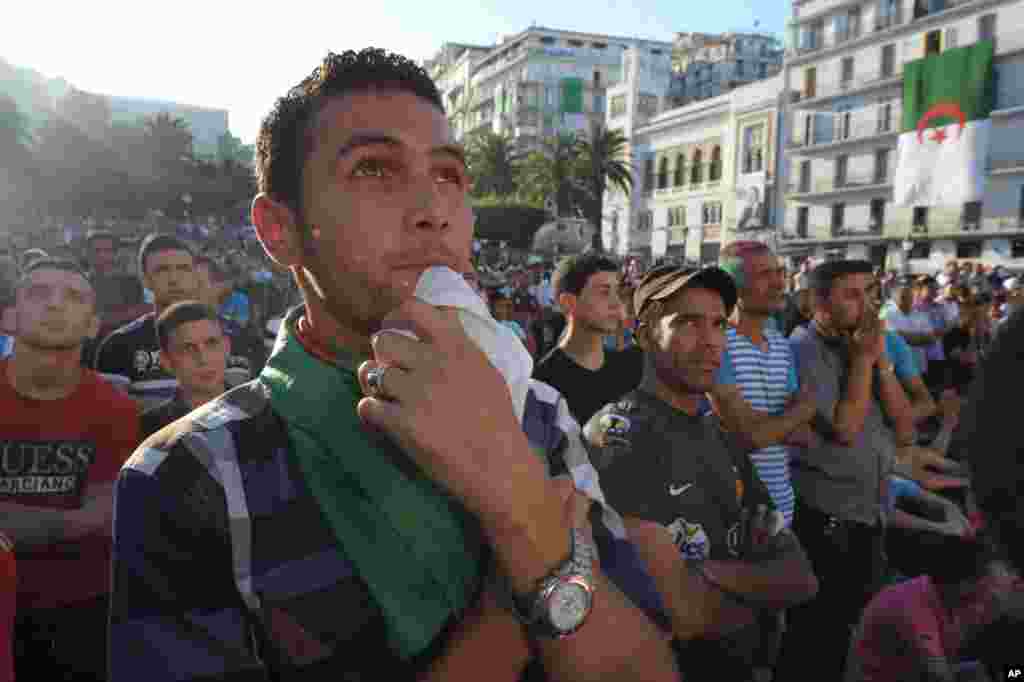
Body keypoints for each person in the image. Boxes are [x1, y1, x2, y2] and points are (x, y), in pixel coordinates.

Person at [109, 48, 679, 681]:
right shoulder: (191, 473)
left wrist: (519, 501)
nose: (432, 208)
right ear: (281, 230)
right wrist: (512, 595)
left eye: (449, 175)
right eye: (375, 168)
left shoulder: (536, 411)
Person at [583, 265, 818, 681]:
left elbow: (802, 577)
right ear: (642, 336)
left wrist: (709, 573)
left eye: (718, 324)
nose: (710, 341)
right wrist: (762, 595)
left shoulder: (716, 430)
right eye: (688, 323)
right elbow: (684, 615)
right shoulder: (620, 435)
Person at [0, 258, 139, 681]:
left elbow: (108, 517)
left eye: (73, 296)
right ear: (9, 316)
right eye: (38, 294)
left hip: (82, 613)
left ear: (93, 324)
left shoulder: (117, 411)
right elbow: (87, 517)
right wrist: (68, 519)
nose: (55, 305)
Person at [776, 260, 914, 681]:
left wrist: (880, 362)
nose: (867, 303)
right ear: (817, 302)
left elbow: (906, 428)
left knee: (849, 630)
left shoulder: (861, 347)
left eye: (870, 291)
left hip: (867, 508)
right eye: (851, 294)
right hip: (827, 514)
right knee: (817, 635)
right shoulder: (802, 348)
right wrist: (862, 361)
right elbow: (845, 429)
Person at [711, 241, 816, 528]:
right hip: (733, 511)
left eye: (779, 273)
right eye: (764, 275)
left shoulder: (782, 346)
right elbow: (747, 438)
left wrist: (769, 426)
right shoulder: (716, 346)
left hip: (783, 505)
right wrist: (801, 410)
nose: (779, 283)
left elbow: (803, 435)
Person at [845, 534, 1021, 682]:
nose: (1008, 583)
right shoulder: (912, 608)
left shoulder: (951, 600)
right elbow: (939, 675)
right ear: (966, 584)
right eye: (994, 581)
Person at [532, 254, 642, 426]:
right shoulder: (544, 383)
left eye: (617, 292)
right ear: (569, 303)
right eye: (604, 293)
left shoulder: (632, 366)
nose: (616, 303)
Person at [93, 234, 200, 410]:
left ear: (195, 275)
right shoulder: (118, 345)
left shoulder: (236, 337)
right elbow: (112, 418)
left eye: (183, 269)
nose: (174, 279)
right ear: (145, 280)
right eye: (162, 270)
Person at [140, 302, 230, 439]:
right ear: (166, 361)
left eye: (211, 343)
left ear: (227, 347)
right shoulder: (150, 428)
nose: (203, 359)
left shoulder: (262, 413)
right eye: (188, 348)